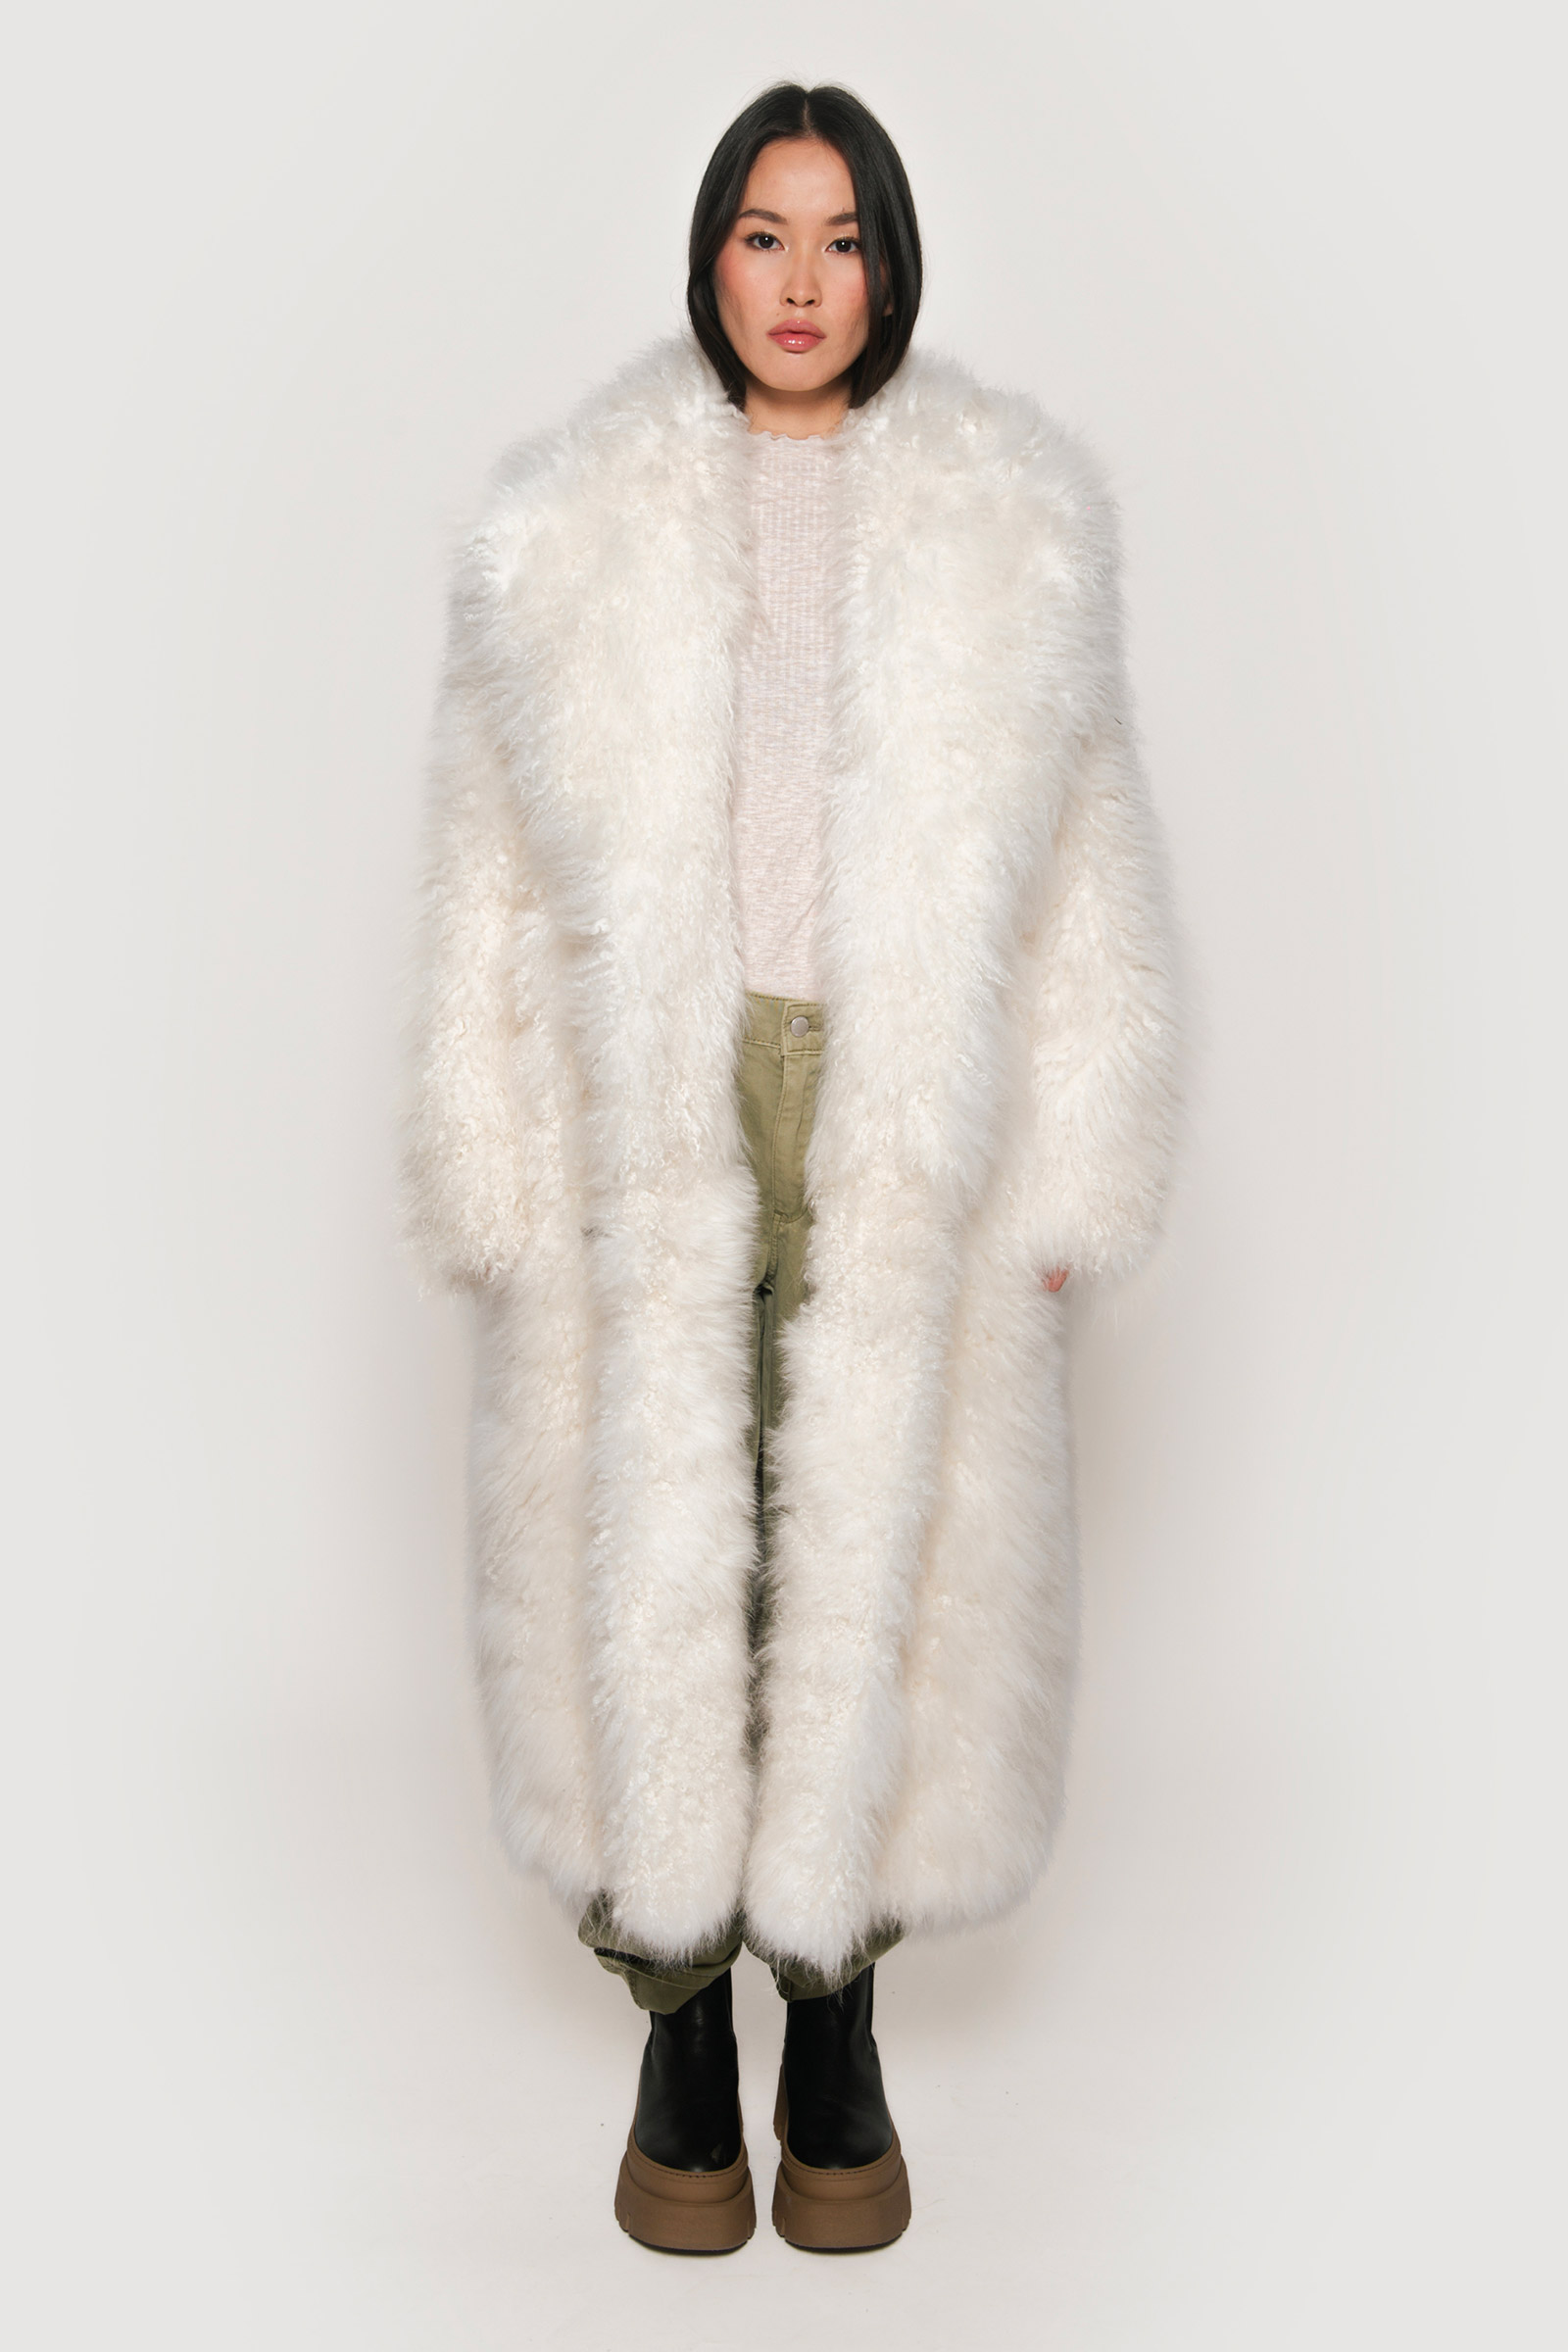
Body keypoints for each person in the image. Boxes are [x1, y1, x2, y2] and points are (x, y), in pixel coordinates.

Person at [406, 82, 1180, 2254]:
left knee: (873, 1545)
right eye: (765, 234)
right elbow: (487, 874)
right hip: (654, 1105)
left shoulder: (1014, 526)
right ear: (711, 256)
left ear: (892, 264)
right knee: (662, 1545)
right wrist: (489, 1154)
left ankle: (834, 2019)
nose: (804, 281)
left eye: (843, 239)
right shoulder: (565, 525)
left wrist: (1077, 1168)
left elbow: (1086, 877)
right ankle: (677, 2018)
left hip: (898, 1103)